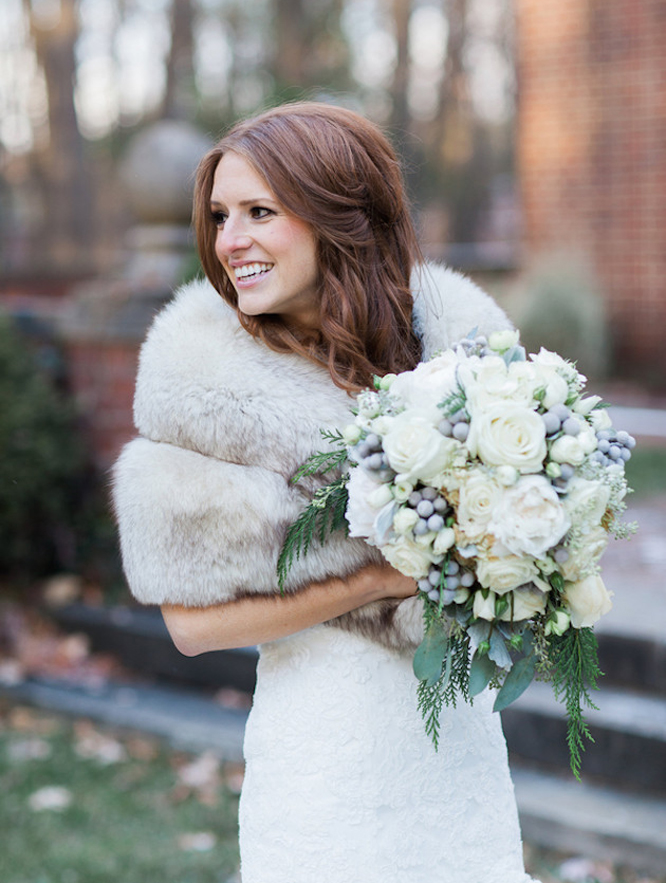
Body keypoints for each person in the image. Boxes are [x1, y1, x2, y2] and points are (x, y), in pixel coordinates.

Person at [113, 101, 538, 883]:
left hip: (459, 754)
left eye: (259, 212)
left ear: (339, 216)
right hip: (325, 752)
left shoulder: (455, 349)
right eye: (219, 215)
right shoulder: (205, 380)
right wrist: (379, 577)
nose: (229, 240)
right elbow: (190, 625)